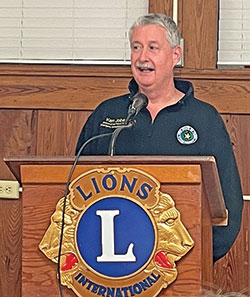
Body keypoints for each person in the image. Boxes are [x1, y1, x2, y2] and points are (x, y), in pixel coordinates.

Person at [75, 13, 243, 262]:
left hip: (179, 264)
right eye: (136, 47)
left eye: (153, 48)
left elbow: (229, 206)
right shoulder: (106, 114)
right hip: (110, 264)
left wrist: (197, 261)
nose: (143, 57)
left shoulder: (204, 119)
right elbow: (74, 190)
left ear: (175, 55)